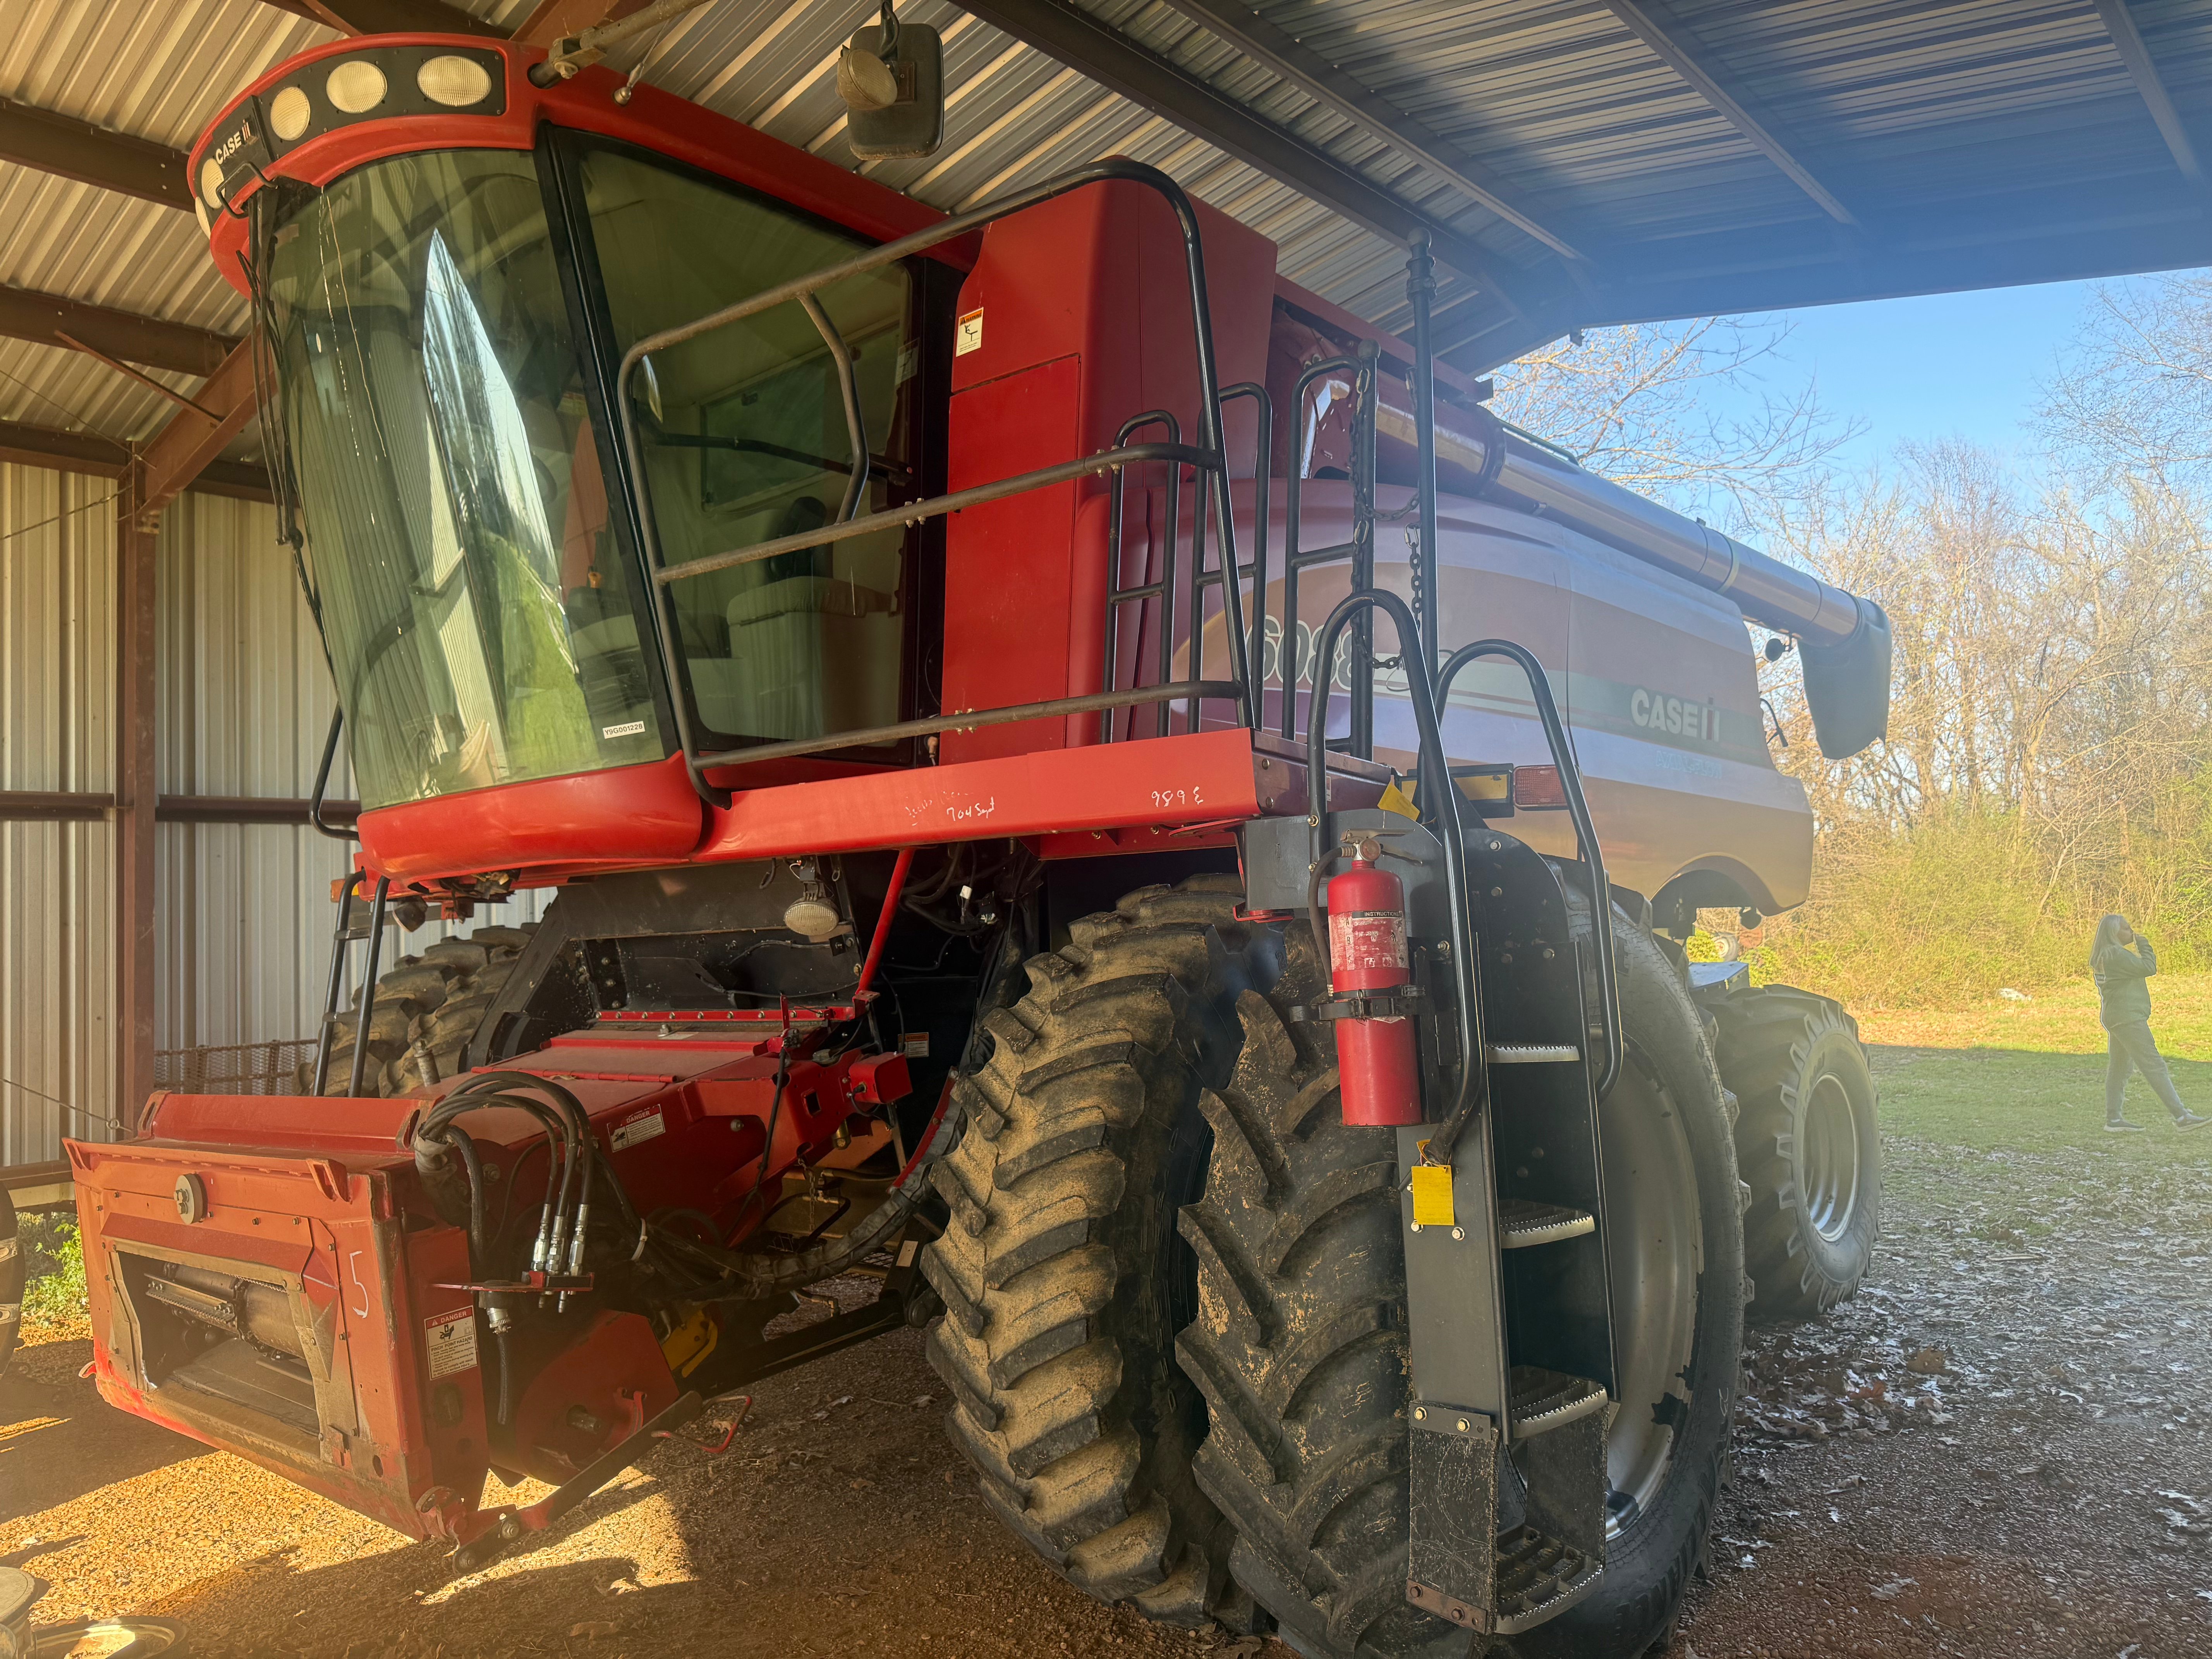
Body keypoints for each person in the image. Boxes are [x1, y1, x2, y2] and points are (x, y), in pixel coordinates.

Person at [2090, 914, 2210, 1132]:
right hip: (2128, 1019)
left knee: (2119, 1068)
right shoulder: (2117, 955)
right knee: (2154, 1065)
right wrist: (2144, 944)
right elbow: (2149, 967)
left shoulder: (2104, 955)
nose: (2131, 931)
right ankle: (2182, 1117)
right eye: (2126, 928)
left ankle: (2113, 1120)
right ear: (2114, 933)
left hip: (2115, 1016)